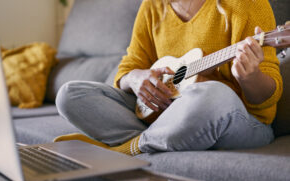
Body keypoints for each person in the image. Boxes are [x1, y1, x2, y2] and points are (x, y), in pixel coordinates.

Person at [55, 0, 282, 156]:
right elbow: (128, 66)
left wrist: (250, 76)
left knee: (211, 94)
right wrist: (136, 79)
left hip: (241, 122)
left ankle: (129, 149)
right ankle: (167, 138)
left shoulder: (246, 3)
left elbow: (267, 102)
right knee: (70, 94)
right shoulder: (153, 6)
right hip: (164, 113)